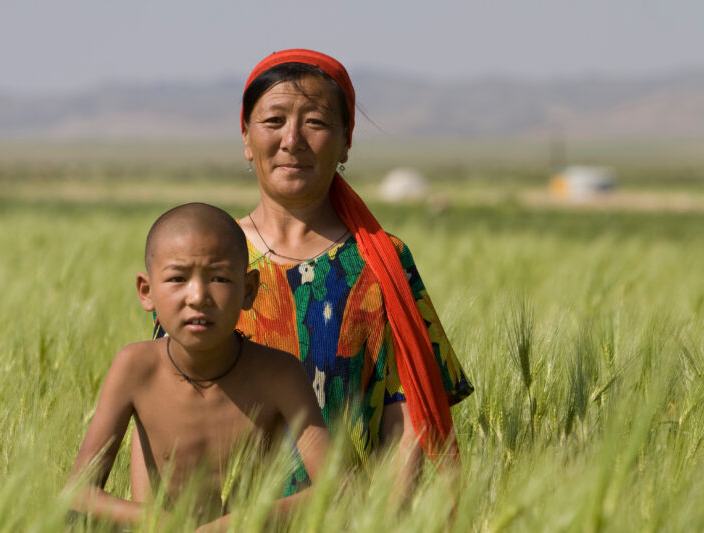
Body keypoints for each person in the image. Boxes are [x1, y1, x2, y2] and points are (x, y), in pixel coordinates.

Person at [133, 48, 473, 498]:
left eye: (314, 122)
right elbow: (162, 408)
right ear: (245, 136)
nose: (292, 139)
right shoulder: (205, 254)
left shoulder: (382, 264)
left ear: (346, 139)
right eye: (273, 122)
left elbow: (408, 421)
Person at [68, 203, 329, 528]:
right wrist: (160, 521)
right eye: (178, 278)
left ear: (248, 290)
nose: (198, 296)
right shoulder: (135, 367)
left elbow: (338, 488)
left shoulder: (278, 374)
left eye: (218, 278)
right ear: (146, 292)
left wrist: (239, 523)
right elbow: (78, 493)